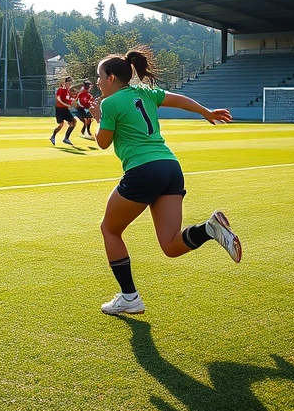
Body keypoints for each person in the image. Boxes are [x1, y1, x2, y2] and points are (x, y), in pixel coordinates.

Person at [87, 46, 242, 317]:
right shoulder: (145, 93)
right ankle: (209, 229)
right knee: (171, 245)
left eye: (99, 76)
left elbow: (102, 142)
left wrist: (98, 118)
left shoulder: (110, 103)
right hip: (170, 167)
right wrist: (206, 112)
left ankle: (129, 298)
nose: (97, 82)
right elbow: (179, 99)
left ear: (111, 78)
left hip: (143, 171)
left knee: (109, 230)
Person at [50, 76, 77, 145]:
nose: (70, 83)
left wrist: (72, 101)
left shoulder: (68, 91)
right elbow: (58, 99)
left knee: (73, 122)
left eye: (71, 81)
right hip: (59, 109)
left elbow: (70, 100)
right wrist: (66, 104)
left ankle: (66, 138)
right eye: (68, 81)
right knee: (61, 124)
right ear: (65, 82)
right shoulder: (61, 89)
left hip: (65, 109)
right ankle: (53, 137)